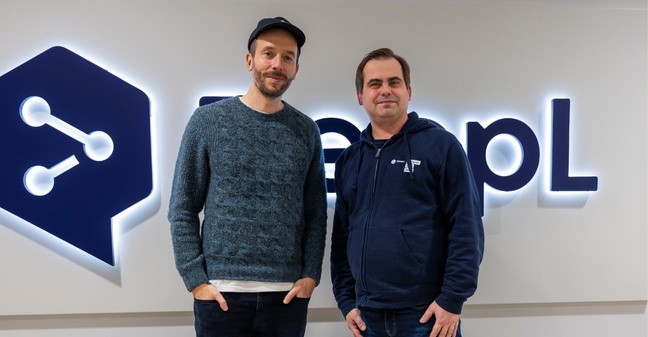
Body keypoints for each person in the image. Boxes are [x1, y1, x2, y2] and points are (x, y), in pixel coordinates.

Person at [168, 17, 328, 337]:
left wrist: (311, 275)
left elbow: (316, 214)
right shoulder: (208, 121)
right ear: (250, 60)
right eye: (269, 54)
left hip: (286, 297)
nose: (277, 64)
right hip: (222, 296)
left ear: (296, 67)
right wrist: (196, 280)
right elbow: (182, 207)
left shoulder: (306, 130)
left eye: (288, 57)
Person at [330, 48, 484, 337]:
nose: (385, 90)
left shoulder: (440, 146)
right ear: (360, 96)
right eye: (375, 84)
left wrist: (451, 300)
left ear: (408, 91)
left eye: (394, 82)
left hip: (425, 316)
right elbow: (341, 237)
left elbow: (466, 228)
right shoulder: (349, 161)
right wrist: (346, 300)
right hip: (368, 317)